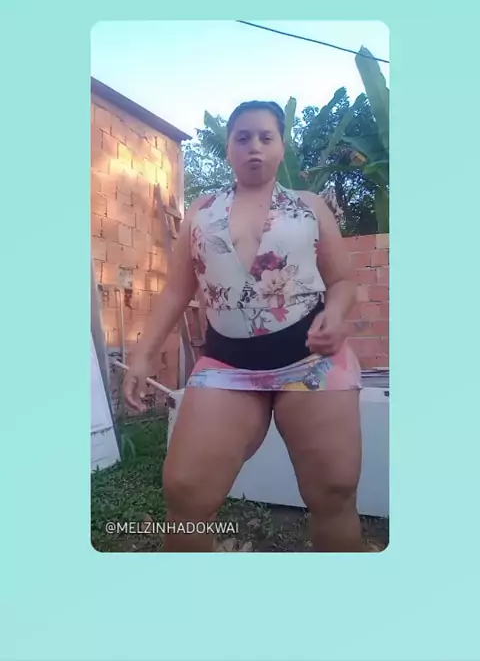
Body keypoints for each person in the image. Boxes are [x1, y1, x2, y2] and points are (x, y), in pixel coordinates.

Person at [124, 100, 363, 552]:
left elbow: (343, 282)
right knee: (186, 491)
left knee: (334, 492)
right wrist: (142, 356)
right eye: (243, 137)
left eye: (266, 137)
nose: (255, 146)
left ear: (281, 147)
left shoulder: (309, 207)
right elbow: (176, 292)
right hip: (227, 364)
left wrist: (334, 315)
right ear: (229, 149)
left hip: (310, 362)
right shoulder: (201, 212)